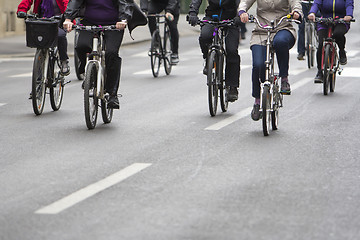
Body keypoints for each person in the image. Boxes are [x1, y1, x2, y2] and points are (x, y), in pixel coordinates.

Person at [63, 0, 146, 109]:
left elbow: (125, 3)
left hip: (114, 24)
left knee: (111, 54)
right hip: (88, 22)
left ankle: (112, 94)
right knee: (81, 46)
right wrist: (68, 19)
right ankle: (87, 70)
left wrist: (123, 19)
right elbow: (75, 1)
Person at [238, 0, 302, 121]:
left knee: (280, 42)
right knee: (258, 65)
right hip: (261, 31)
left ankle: (284, 78)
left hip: (282, 28)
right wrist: (242, 11)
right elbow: (245, 2)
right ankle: (257, 101)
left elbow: (295, 2)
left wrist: (296, 12)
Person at [188, 0, 241, 102]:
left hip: (231, 18)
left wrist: (239, 15)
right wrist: (193, 13)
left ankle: (232, 87)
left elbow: (241, 3)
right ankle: (208, 59)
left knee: (232, 50)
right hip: (212, 16)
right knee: (205, 37)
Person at [17, 0, 70, 76]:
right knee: (39, 38)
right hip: (42, 21)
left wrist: (68, 17)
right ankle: (40, 66)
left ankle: (64, 61)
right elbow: (27, 0)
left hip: (58, 21)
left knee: (60, 35)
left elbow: (66, 3)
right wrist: (22, 10)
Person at [308, 0, 354, 83]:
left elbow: (349, 4)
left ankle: (342, 51)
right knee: (321, 43)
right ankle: (319, 72)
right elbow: (316, 3)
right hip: (324, 21)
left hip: (341, 20)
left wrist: (349, 15)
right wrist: (312, 13)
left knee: (338, 34)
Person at [140, 0, 180, 64]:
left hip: (172, 3)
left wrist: (169, 11)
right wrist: (143, 11)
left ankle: (174, 53)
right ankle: (156, 43)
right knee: (151, 16)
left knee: (172, 25)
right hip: (156, 3)